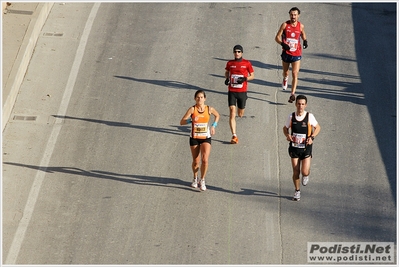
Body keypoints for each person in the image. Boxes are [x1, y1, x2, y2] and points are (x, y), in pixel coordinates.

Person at [180, 90, 220, 191]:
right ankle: (195, 178)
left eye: (201, 97)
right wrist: (191, 120)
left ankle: (202, 180)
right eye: (198, 97)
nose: (200, 99)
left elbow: (217, 115)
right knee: (196, 161)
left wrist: (213, 126)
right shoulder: (192, 110)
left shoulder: (209, 109)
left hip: (206, 137)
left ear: (205, 99)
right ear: (195, 99)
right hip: (194, 137)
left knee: (205, 159)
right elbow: (182, 122)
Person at [283, 95, 320, 201]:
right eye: (299, 104)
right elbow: (285, 128)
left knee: (304, 171)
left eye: (303, 104)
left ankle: (306, 175)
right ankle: (297, 191)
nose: (300, 106)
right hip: (294, 147)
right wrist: (287, 135)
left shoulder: (309, 116)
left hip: (306, 148)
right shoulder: (291, 117)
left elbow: (318, 127)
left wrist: (312, 137)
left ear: (305, 105)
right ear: (295, 104)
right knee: (295, 171)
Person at [275, 7, 308, 103]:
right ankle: (285, 79)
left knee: (295, 73)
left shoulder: (301, 26)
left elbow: (303, 34)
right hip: (286, 53)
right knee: (286, 73)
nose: (293, 16)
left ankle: (292, 94)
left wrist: (305, 41)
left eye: (295, 15)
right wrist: (282, 44)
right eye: (291, 15)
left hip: (296, 54)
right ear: (289, 15)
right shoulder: (285, 25)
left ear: (298, 15)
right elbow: (277, 37)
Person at [224, 44, 254, 144]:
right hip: (232, 91)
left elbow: (252, 76)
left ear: (241, 53)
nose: (237, 53)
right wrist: (227, 79)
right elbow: (227, 72)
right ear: (233, 53)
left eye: (239, 52)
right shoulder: (230, 63)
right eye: (235, 51)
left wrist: (245, 79)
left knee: (240, 114)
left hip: (242, 91)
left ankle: (240, 112)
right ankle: (234, 135)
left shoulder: (246, 63)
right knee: (232, 112)